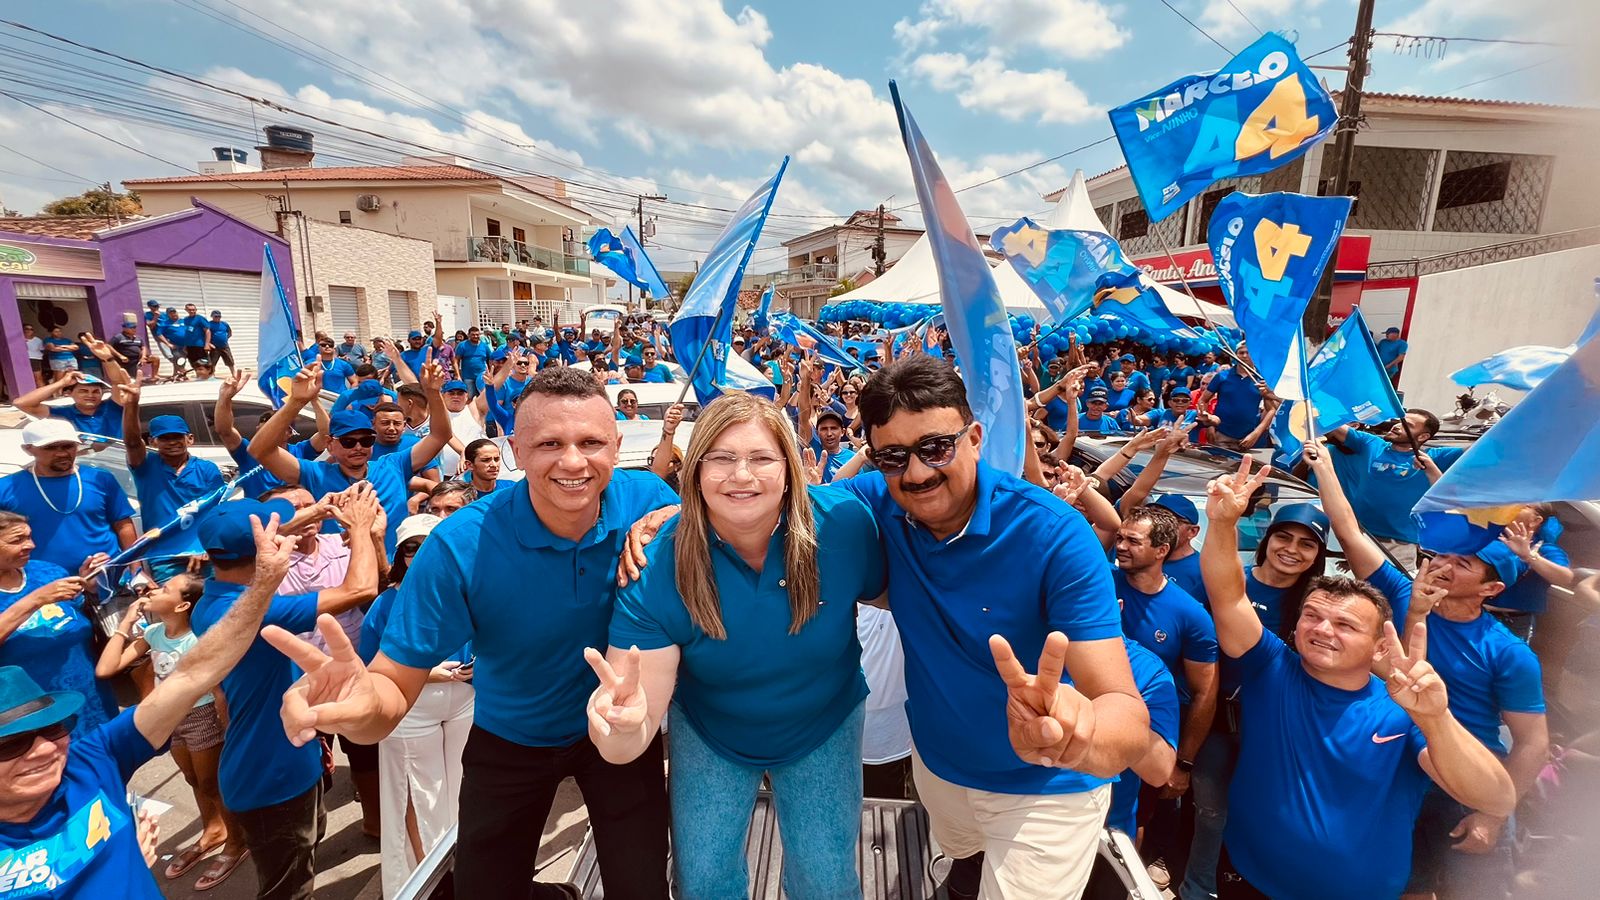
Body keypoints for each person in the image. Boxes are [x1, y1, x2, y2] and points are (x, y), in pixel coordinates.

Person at [262, 367, 678, 900]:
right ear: (514, 450)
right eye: (549, 442)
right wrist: (360, 704)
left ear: (617, 446)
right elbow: (390, 689)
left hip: (621, 730)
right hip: (512, 737)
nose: (573, 461)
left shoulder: (645, 497)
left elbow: (724, 517)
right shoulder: (460, 546)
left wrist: (674, 514)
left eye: (591, 442)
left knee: (641, 886)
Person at [821, 354, 1149, 898]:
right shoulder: (879, 500)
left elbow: (1127, 713)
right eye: (894, 457)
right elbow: (779, 506)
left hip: (1043, 788)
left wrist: (1076, 734)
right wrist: (675, 517)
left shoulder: (1054, 536)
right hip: (941, 769)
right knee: (961, 872)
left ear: (973, 436)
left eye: (935, 448)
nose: (918, 472)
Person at [589, 392, 885, 898]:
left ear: (790, 467)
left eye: (761, 458)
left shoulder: (845, 526)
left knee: (827, 879)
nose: (740, 475)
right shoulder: (654, 566)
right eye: (721, 458)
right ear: (696, 469)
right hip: (712, 731)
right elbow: (627, 735)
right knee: (703, 881)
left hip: (824, 723)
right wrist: (622, 726)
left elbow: (908, 593)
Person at [1198, 456, 1515, 900]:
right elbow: (1228, 594)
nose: (1322, 629)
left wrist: (1437, 718)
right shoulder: (1270, 666)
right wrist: (1223, 524)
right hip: (1246, 878)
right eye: (1312, 616)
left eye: (1345, 625)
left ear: (1380, 647)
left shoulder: (1402, 713)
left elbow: (1497, 798)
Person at [0, 511, 294, 900]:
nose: (42, 749)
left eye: (54, 728)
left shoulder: (90, 759)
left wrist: (263, 584)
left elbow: (194, 673)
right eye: (11, 743)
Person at [192, 491, 382, 900]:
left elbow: (254, 546)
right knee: (288, 889)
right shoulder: (252, 611)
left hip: (286, 761)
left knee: (304, 855)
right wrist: (361, 526)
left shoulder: (216, 594)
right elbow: (361, 587)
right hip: (272, 778)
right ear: (264, 552)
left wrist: (314, 512)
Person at [1397, 545, 1547, 900]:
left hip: (1465, 790)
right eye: (1442, 555)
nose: (1442, 565)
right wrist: (1416, 612)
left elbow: (1532, 742)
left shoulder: (1508, 652)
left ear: (1490, 590)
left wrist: (1492, 816)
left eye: (1462, 563)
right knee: (1409, 887)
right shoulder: (1409, 609)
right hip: (1406, 781)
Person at [95, 571, 248, 889]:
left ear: (182, 606)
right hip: (171, 716)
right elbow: (107, 668)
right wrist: (125, 623)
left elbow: (219, 689)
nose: (153, 589)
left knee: (210, 782)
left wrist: (228, 724)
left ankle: (237, 842)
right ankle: (214, 829)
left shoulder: (199, 637)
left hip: (203, 716)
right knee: (194, 779)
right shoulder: (153, 634)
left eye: (165, 588)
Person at [359, 514, 475, 899]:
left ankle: (466, 869)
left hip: (465, 700)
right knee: (417, 794)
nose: (421, 553)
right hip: (410, 706)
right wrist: (429, 675)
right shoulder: (385, 603)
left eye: (429, 544)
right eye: (412, 547)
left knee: (464, 788)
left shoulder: (467, 588)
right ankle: (433, 883)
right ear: (400, 554)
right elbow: (370, 666)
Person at [250, 362, 452, 553]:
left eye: (366, 440)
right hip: (340, 575)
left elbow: (440, 436)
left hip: (393, 571)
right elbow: (260, 450)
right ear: (330, 444)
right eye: (348, 441)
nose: (358, 447)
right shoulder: (315, 473)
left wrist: (433, 393)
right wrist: (296, 402)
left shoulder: (393, 465)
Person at [0, 509, 118, 736]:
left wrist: (89, 587)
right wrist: (35, 599)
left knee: (103, 766)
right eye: (18, 540)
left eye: (29, 536)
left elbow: (79, 619)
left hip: (91, 699)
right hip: (32, 717)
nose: (31, 545)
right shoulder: (42, 589)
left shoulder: (48, 572)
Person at [1325, 410, 1464, 569]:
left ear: (1423, 437)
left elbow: (1482, 450)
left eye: (1407, 425)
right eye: (1399, 421)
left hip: (1398, 547)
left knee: (1389, 593)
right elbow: (1333, 423)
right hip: (1356, 537)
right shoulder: (1371, 444)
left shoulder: (1435, 456)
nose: (1397, 426)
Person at [0, 419, 137, 574]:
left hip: (105, 577)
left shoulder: (100, 478)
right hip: (43, 583)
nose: (62, 453)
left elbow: (123, 524)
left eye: (68, 446)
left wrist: (135, 570)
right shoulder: (6, 488)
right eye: (50, 448)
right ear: (28, 449)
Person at [121, 386, 227, 570]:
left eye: (177, 437)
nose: (172, 442)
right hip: (164, 554)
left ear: (190, 439)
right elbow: (131, 441)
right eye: (164, 438)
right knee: (172, 599)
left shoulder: (207, 469)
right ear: (152, 441)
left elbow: (216, 511)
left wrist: (205, 545)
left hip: (202, 551)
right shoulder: (145, 466)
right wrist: (132, 404)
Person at [14, 358, 130, 440]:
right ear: (69, 393)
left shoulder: (113, 406)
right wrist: (61, 383)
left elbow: (118, 382)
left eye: (96, 391)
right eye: (83, 391)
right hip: (82, 466)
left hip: (121, 462)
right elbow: (21, 403)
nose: (90, 395)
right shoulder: (61, 413)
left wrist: (107, 358)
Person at [455, 326, 489, 393]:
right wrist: (458, 374)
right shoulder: (462, 345)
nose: (475, 336)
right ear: (468, 335)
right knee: (469, 397)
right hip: (468, 377)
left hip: (482, 376)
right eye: (473, 335)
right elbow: (456, 361)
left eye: (477, 335)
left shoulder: (484, 346)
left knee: (484, 397)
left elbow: (490, 360)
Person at [179, 303, 212, 370]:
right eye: (190, 310)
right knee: (193, 362)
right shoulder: (185, 319)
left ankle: (209, 376)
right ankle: (199, 375)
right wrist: (185, 345)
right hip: (189, 346)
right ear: (186, 310)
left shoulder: (200, 318)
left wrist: (207, 344)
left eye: (193, 310)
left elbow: (207, 331)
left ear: (196, 310)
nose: (192, 311)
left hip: (199, 345)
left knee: (204, 362)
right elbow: (187, 332)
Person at [22, 323, 45, 388]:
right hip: (22, 360)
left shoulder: (38, 340)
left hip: (35, 359)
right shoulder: (19, 340)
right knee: (24, 378)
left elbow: (42, 350)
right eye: (27, 329)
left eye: (31, 329)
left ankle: (42, 394)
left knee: (38, 378)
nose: (29, 330)